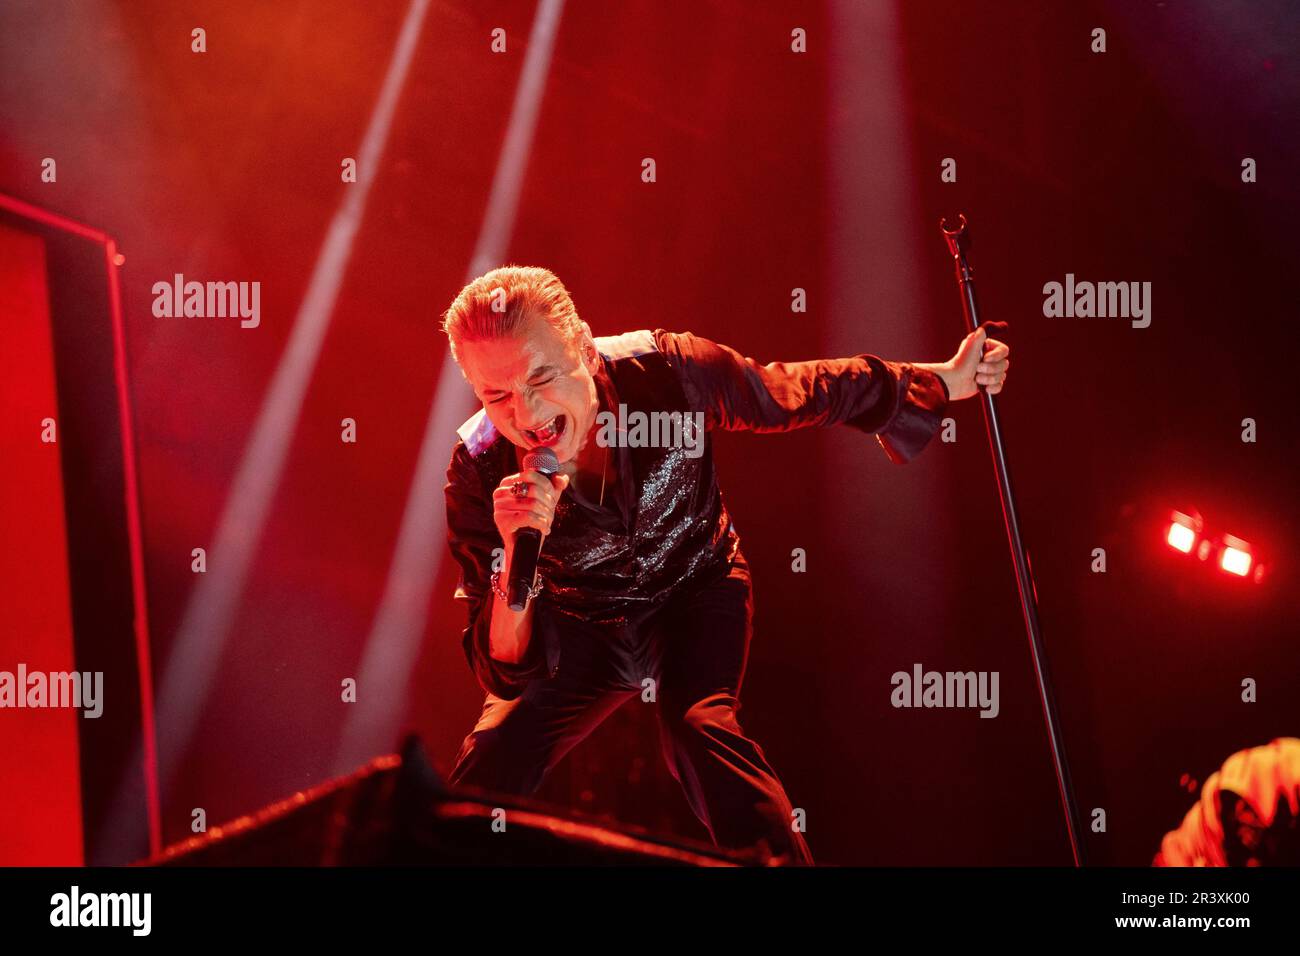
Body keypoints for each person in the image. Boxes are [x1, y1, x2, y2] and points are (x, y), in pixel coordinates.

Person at [439, 265, 1010, 864]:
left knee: (698, 729)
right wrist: (515, 563)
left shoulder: (666, 369)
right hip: (574, 627)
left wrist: (939, 380)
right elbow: (500, 665)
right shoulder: (475, 467)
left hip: (692, 591)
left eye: (541, 377)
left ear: (582, 344)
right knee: (493, 757)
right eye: (495, 395)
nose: (525, 414)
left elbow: (794, 391)